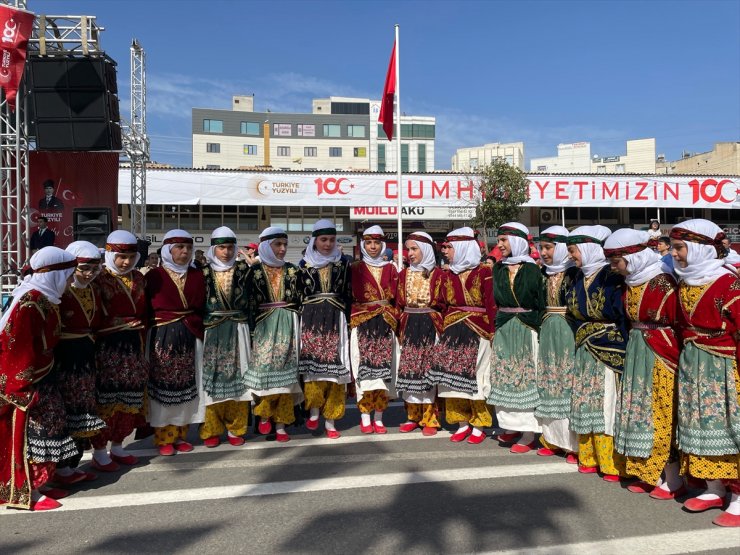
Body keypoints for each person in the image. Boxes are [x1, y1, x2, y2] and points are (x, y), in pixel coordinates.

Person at [669, 219, 740, 527]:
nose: (674, 254)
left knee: (728, 428)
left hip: (723, 365)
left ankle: (738, 496)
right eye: (673, 247)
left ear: (698, 248)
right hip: (693, 363)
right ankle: (713, 487)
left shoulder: (729, 283)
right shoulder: (684, 281)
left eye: (679, 247)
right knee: (697, 423)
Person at [604, 229, 682, 499]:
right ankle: (650, 472)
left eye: (617, 261)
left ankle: (672, 478)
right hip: (638, 348)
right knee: (641, 412)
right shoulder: (631, 282)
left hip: (660, 349)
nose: (614, 267)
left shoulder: (662, 282)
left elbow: (676, 320)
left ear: (632, 257)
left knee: (661, 410)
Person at [0, 247, 76, 511]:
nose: (70, 282)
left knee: (49, 430)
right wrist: (21, 387)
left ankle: (40, 483)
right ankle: (26, 492)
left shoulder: (46, 299)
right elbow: (15, 346)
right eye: (68, 276)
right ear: (55, 275)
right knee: (33, 435)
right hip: (27, 382)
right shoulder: (30, 303)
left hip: (44, 374)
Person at [566, 225, 628, 482]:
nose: (571, 256)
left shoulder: (611, 276)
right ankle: (588, 456)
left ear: (589, 248)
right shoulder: (576, 276)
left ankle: (611, 463)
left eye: (574, 251)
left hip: (608, 348)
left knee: (606, 404)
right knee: (586, 402)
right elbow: (570, 312)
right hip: (584, 348)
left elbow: (622, 315)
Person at [91, 231, 149, 469]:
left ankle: (118, 444)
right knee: (107, 399)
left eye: (131, 256)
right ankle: (99, 449)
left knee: (130, 397)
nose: (126, 262)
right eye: (121, 256)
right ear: (110, 254)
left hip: (134, 345)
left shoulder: (139, 277)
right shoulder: (98, 278)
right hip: (108, 347)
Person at [145, 229, 206, 456]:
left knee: (187, 386)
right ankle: (163, 438)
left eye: (188, 248)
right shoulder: (153, 277)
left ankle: (181, 435)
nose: (185, 252)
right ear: (167, 250)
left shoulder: (198, 275)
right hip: (163, 336)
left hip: (190, 332)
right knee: (163, 387)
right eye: (179, 247)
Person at [432, 227, 495, 444]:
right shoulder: (446, 275)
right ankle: (461, 423)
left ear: (463, 248)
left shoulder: (484, 272)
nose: (445, 251)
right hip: (451, 329)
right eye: (445, 247)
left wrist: (493, 331)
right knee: (451, 378)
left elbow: (490, 303)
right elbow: (439, 303)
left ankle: (478, 424)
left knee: (476, 377)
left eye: (449, 247)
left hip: (477, 329)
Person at [50, 242, 107, 484]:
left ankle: (71, 466)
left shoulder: (93, 290)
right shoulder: (60, 291)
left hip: (86, 353)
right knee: (69, 409)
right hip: (66, 357)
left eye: (94, 269)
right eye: (84, 268)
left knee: (83, 408)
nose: (89, 274)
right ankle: (61, 469)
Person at [487, 222, 544, 452]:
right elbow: (496, 301)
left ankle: (528, 432)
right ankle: (510, 425)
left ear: (518, 242)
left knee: (523, 379)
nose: (499, 245)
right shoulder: (499, 268)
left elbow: (539, 301)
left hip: (525, 327)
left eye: (504, 241)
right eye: (499, 241)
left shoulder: (532, 270)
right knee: (503, 377)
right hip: (505, 328)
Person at [246, 227, 303, 442]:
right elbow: (249, 304)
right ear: (265, 246)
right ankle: (264, 415)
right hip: (263, 327)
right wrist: (251, 332)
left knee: (286, 378)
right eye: (277, 244)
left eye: (285, 245)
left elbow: (299, 300)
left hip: (288, 326)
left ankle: (281, 425)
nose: (282, 249)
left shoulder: (292, 270)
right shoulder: (254, 272)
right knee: (263, 375)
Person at [198, 226, 252, 447]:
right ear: (213, 248)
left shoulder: (243, 270)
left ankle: (236, 428)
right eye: (221, 247)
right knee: (212, 379)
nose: (226, 252)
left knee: (240, 378)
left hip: (238, 328)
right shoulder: (201, 272)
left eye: (230, 247)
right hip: (212, 330)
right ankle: (211, 429)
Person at [299, 219, 352, 439]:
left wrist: (349, 320)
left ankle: (330, 421)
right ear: (315, 241)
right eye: (323, 239)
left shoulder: (343, 264)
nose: (328, 244)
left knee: (334, 372)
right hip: (311, 320)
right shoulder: (303, 265)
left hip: (335, 319)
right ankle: (313, 412)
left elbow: (348, 293)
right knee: (313, 370)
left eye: (331, 239)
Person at [534, 226, 579, 461]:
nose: (544, 252)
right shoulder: (544, 272)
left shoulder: (574, 274)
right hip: (548, 329)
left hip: (567, 330)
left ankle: (572, 444)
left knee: (568, 385)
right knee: (549, 383)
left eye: (548, 247)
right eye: (541, 247)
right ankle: (551, 439)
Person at [349, 226, 399, 434]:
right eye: (369, 242)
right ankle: (364, 416)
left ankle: (379, 417)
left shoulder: (391, 269)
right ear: (363, 244)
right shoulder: (355, 268)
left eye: (376, 243)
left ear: (382, 245)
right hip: (363, 322)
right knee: (364, 370)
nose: (372, 246)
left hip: (385, 322)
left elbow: (397, 296)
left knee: (383, 373)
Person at [396, 232, 446, 435]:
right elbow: (398, 302)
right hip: (409, 323)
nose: (410, 253)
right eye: (409, 249)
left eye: (414, 249)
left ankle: (431, 418)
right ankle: (412, 416)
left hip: (430, 324)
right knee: (410, 370)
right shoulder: (403, 274)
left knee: (428, 371)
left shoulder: (439, 275)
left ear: (425, 250)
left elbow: (444, 303)